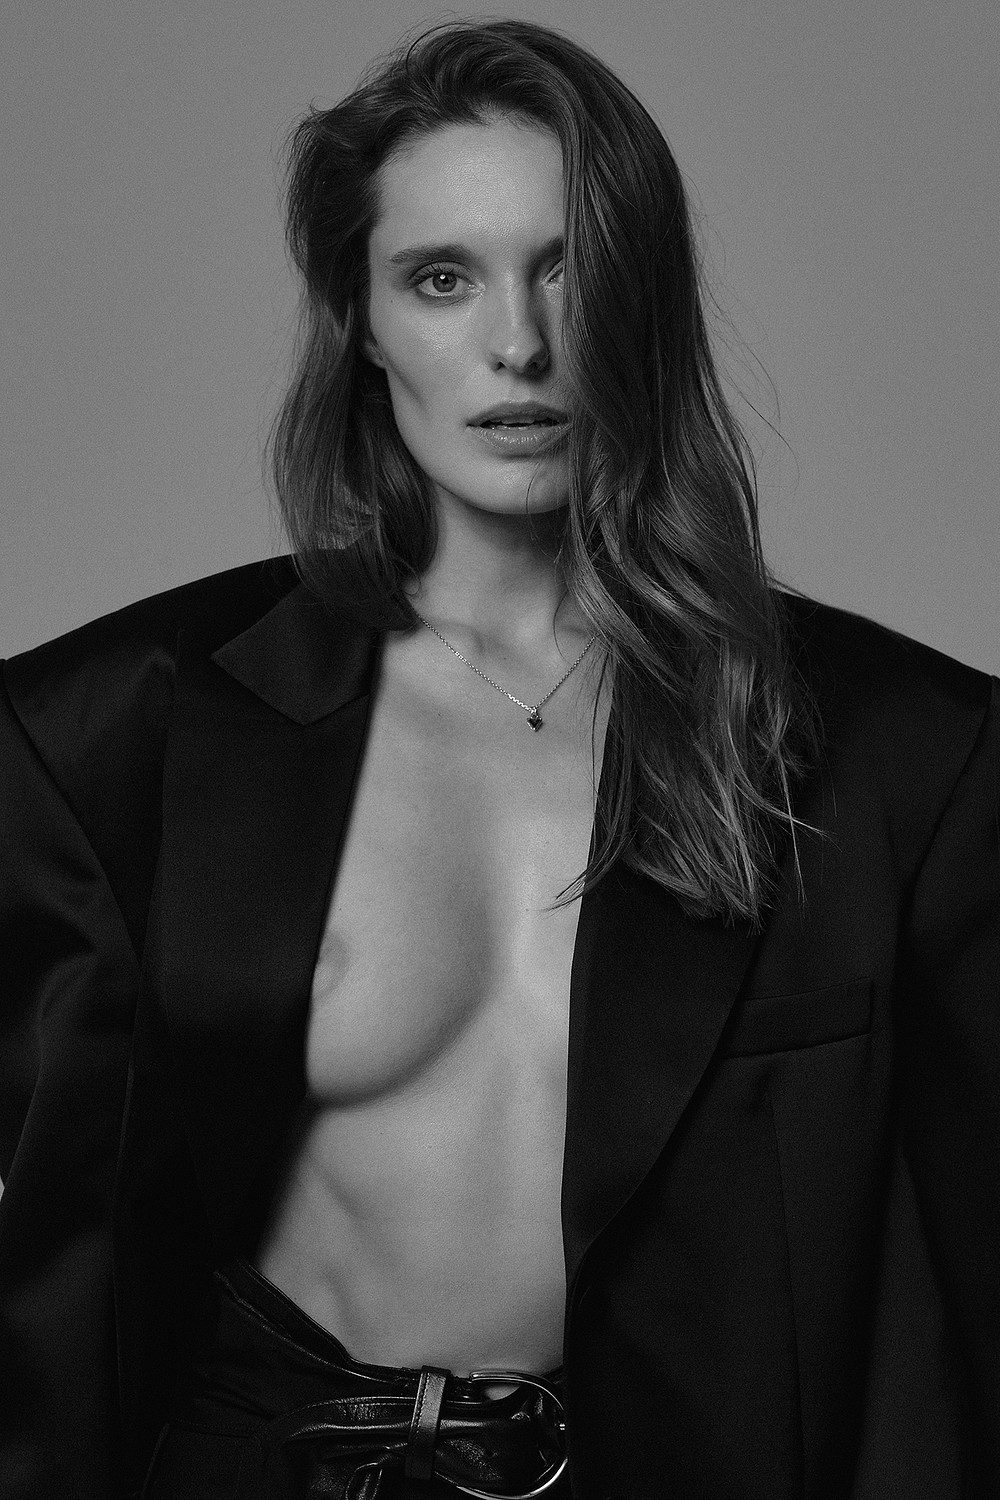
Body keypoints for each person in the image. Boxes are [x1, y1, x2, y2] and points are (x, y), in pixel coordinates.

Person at [1, 17, 997, 1500]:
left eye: (568, 268)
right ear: (359, 318)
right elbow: (50, 1294)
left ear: (645, 302)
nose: (518, 343)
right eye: (442, 278)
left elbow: (959, 1301)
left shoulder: (906, 754)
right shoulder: (113, 735)